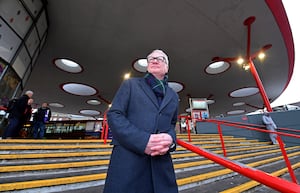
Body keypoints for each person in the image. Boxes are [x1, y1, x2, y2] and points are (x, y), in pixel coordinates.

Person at [103, 49, 179, 193]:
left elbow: (171, 124)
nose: (154, 60)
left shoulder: (174, 96)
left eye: (160, 58)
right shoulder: (131, 84)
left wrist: (171, 139)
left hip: (161, 166)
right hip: (129, 161)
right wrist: (143, 141)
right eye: (151, 58)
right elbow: (114, 114)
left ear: (167, 67)